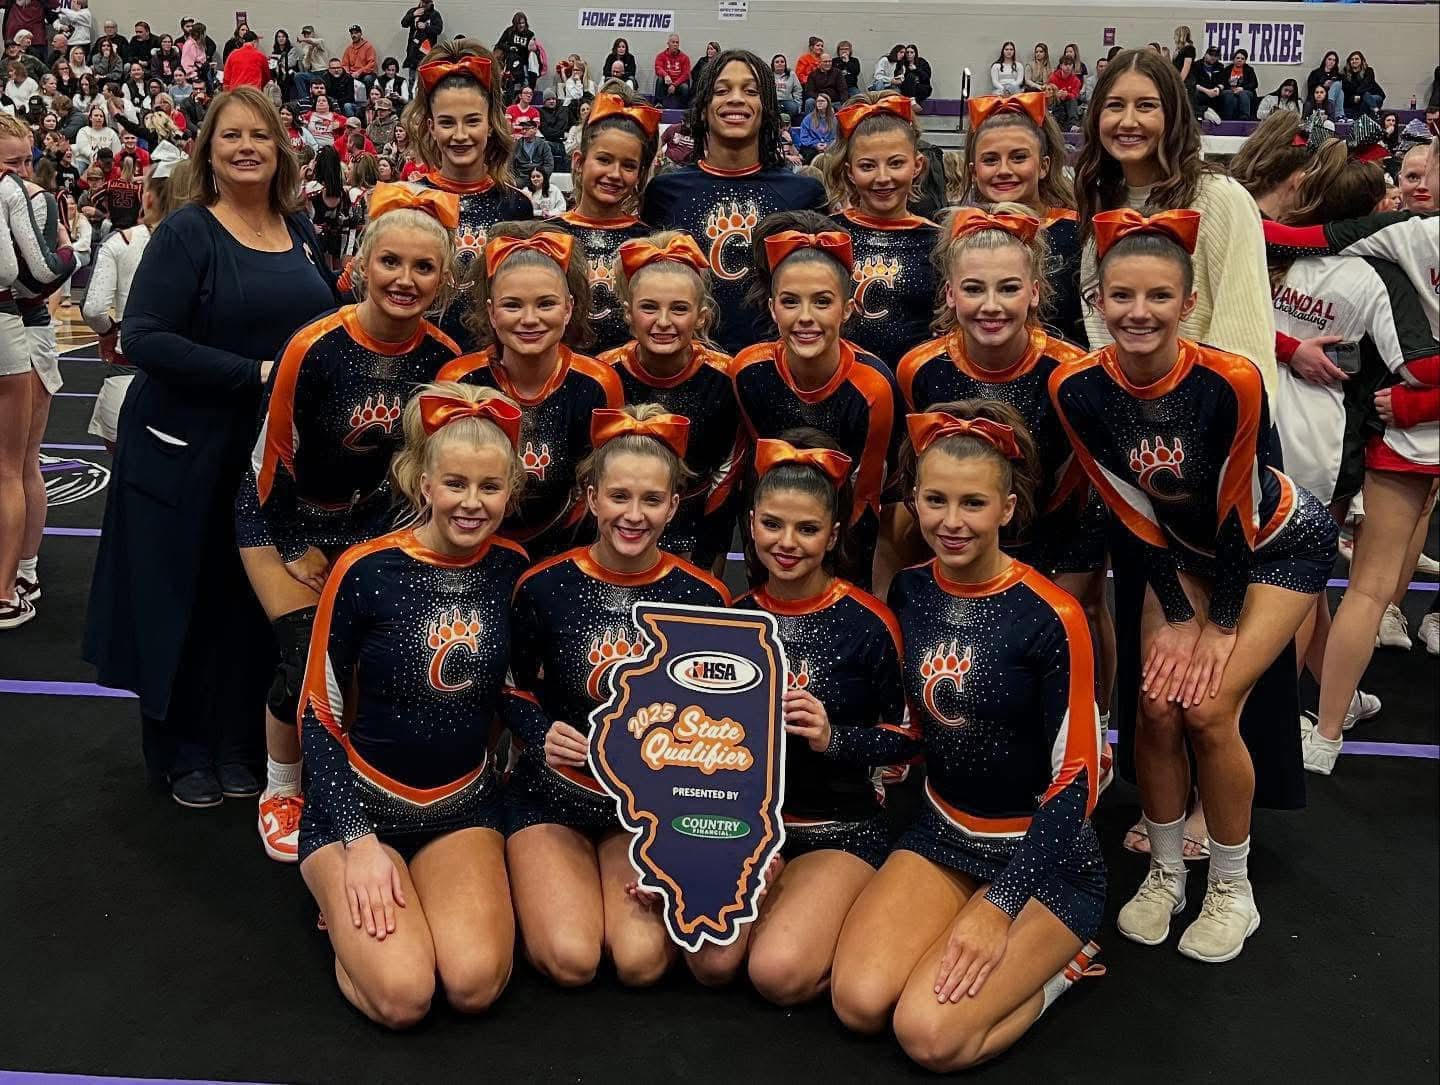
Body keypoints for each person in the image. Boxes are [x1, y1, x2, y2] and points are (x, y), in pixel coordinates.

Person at [1051, 208, 1336, 962]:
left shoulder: (1230, 380)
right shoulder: (1077, 387)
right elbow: (1132, 507)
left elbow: (1238, 512)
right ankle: (1167, 870)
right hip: (1178, 552)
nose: (1137, 313)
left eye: (1156, 297)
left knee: (1208, 709)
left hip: (1274, 546)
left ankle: (1233, 888)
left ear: (1188, 304)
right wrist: (1177, 612)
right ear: (1097, 301)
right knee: (1153, 704)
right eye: (1120, 297)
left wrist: (1218, 623)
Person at [830, 400, 1105, 1070]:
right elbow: (916, 734)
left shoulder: (1052, 614)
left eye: (974, 504)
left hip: (1044, 858)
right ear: (915, 501)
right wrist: (831, 738)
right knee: (859, 1001)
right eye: (936, 500)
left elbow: (1082, 779)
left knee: (931, 1036)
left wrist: (1001, 905)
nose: (951, 523)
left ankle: (1064, 965)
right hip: (941, 830)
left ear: (1008, 508)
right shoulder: (913, 593)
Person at [82, 87, 338, 807]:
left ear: (281, 147)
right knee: (180, 598)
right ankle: (180, 748)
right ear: (209, 151)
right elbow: (144, 336)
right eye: (231, 136)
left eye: (260, 134)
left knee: (246, 605)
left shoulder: (302, 229)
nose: (247, 146)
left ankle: (237, 742)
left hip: (268, 458)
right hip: (183, 448)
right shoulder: (188, 232)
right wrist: (258, 374)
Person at [238, 184, 462, 861]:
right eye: (390, 261)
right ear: (360, 265)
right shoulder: (316, 344)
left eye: (425, 267)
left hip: (371, 525)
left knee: (372, 654)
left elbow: (426, 466)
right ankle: (281, 786)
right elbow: (269, 458)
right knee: (307, 654)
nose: (406, 279)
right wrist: (299, 544)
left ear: (444, 279)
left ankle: (361, 779)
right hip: (281, 513)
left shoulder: (441, 357)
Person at [298, 380, 528, 1027]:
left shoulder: (511, 566)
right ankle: (343, 909)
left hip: (461, 804)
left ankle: (411, 901)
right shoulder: (365, 568)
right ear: (422, 481)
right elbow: (317, 710)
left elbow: (513, 692)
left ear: (511, 491)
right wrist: (359, 841)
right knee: (404, 998)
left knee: (475, 984)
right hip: (359, 810)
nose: (472, 502)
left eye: (490, 486)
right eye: (455, 483)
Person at [504, 405, 729, 989]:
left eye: (652, 500)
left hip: (647, 811)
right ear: (592, 497)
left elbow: (725, 736)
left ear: (673, 506)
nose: (634, 515)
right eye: (619, 497)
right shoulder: (544, 585)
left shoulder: (701, 597)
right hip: (556, 792)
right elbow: (510, 684)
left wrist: (686, 842)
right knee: (572, 960)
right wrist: (537, 731)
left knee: (640, 962)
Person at [687, 433, 912, 997]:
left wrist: (833, 738)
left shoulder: (868, 622)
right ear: (752, 524)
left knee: (776, 975)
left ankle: (863, 923)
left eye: (807, 529)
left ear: (833, 535)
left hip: (837, 824)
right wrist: (674, 854)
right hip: (744, 830)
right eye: (772, 525)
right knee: (711, 967)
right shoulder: (728, 622)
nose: (787, 543)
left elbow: (908, 739)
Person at [899, 208, 1114, 733]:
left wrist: (1058, 566)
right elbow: (917, 469)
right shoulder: (921, 369)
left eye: (1009, 289)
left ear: (1035, 293)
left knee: (1071, 624)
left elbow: (1083, 475)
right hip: (970, 523)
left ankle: (1095, 725)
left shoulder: (1069, 370)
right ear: (950, 295)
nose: (990, 306)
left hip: (1059, 525)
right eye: (973, 289)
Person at [731, 212, 903, 588]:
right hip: (770, 522)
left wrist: (840, 561)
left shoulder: (873, 387)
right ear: (773, 308)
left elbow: (867, 495)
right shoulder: (748, 371)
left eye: (822, 302)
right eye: (791, 302)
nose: (805, 317)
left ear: (847, 309)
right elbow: (751, 469)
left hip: (843, 533)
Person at [437, 223, 623, 556]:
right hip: (473, 547)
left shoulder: (598, 383)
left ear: (568, 308)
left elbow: (601, 486)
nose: (529, 319)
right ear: (492, 313)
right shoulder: (459, 380)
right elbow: (442, 484)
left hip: (566, 551)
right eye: (512, 306)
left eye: (545, 304)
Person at [641, 49, 827, 355]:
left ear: (766, 108)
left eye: (750, 91)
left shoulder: (803, 193)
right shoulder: (665, 191)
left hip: (775, 369)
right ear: (703, 108)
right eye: (722, 90)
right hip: (687, 366)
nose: (736, 99)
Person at [602, 232, 740, 565]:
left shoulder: (728, 378)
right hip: (617, 525)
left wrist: (707, 555)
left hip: (695, 527)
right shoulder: (603, 376)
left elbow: (726, 475)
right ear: (627, 314)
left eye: (679, 309)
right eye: (649, 308)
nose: (663, 322)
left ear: (702, 316)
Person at [401, 40, 533, 346]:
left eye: (472, 121)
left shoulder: (516, 206)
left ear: (490, 124)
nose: (460, 135)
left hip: (494, 366)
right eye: (447, 123)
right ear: (431, 128)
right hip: (422, 360)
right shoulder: (410, 200)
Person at [0, 115, 73, 629]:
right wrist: (69, 254)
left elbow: (34, 285)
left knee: (23, 462)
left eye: (27, 159)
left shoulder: (38, 199)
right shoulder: (23, 199)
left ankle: (23, 568)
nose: (24, 171)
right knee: (15, 465)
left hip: (31, 332)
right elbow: (35, 276)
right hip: (15, 326)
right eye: (12, 162)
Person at [822, 93, 938, 366]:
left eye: (896, 163)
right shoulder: (828, 235)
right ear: (850, 172)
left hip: (914, 386)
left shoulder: (939, 241)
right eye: (867, 166)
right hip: (844, 390)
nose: (883, 178)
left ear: (917, 166)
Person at [960, 92, 1084, 346]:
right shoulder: (963, 233)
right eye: (991, 160)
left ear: (1043, 166)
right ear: (974, 172)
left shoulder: (1077, 231)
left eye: (1019, 157)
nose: (1004, 170)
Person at [554, 89, 659, 354]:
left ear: (640, 174)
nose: (614, 174)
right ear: (579, 161)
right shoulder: (549, 235)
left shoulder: (649, 243)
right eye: (604, 160)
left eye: (628, 165)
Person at [401, 1, 444, 90]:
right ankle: (411, 101)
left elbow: (439, 30)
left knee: (426, 79)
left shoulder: (435, 15)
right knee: (412, 79)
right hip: (413, 50)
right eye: (423, 2)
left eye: (426, 3)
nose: (424, 4)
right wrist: (413, 14)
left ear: (431, 3)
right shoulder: (414, 11)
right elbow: (404, 23)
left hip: (427, 51)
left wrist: (426, 27)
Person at [493, 12, 535, 97]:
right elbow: (499, 44)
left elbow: (534, 49)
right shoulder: (510, 31)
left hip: (524, 63)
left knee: (525, 84)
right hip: (510, 63)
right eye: (519, 23)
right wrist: (509, 48)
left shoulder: (529, 34)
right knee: (509, 85)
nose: (521, 25)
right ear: (515, 24)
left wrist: (533, 45)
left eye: (523, 23)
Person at [1341, 51, 1384, 119]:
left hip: (1374, 97)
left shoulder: (1369, 71)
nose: (1354, 61)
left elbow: (1366, 85)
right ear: (1349, 62)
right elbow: (1347, 91)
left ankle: (1373, 110)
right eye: (1352, 59)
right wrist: (1355, 97)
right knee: (1364, 102)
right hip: (1359, 101)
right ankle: (1375, 112)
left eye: (1357, 59)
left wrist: (1359, 95)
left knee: (1366, 94)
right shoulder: (1346, 75)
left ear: (1362, 60)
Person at [511, 117, 554, 186]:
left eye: (527, 129)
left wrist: (542, 177)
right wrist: (513, 178)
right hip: (521, 177)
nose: (524, 131)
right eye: (523, 129)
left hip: (538, 176)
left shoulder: (543, 144)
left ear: (535, 129)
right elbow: (510, 164)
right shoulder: (516, 144)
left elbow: (549, 165)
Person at [795, 92, 837, 162]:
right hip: (812, 148)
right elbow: (804, 138)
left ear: (828, 103)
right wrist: (816, 145)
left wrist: (827, 145)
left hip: (829, 147)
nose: (819, 103)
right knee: (810, 154)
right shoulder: (808, 119)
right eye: (818, 101)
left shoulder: (835, 120)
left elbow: (837, 138)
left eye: (822, 101)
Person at [654, 33, 691, 109]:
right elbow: (658, 68)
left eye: (677, 42)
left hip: (679, 84)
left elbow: (686, 74)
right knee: (660, 80)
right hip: (666, 83)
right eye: (673, 42)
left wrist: (674, 85)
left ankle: (683, 109)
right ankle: (659, 104)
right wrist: (665, 75)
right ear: (668, 44)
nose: (675, 44)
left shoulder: (685, 58)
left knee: (685, 87)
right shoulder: (661, 56)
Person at [1306, 50, 1344, 122]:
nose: (1331, 62)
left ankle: (1338, 114)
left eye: (1334, 60)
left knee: (1339, 88)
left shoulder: (1337, 75)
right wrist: (1323, 85)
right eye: (1329, 59)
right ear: (1325, 60)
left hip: (1332, 99)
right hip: (1319, 98)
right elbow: (1311, 88)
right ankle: (1339, 114)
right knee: (1338, 85)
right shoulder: (1315, 73)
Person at [1220, 49, 1258, 122]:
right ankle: (1228, 118)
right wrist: (1232, 89)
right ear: (1234, 59)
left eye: (1242, 59)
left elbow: (1254, 84)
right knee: (1228, 94)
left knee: (1243, 94)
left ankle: (1244, 118)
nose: (1240, 60)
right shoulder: (1227, 69)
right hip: (1230, 90)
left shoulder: (1249, 70)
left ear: (1245, 61)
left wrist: (1242, 88)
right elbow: (1223, 82)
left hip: (1245, 91)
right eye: (1237, 58)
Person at [1048, 56, 1082, 130]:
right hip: (1056, 101)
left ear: (1073, 66)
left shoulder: (1076, 80)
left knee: (1072, 101)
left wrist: (1067, 95)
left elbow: (1076, 94)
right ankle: (1054, 125)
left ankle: (1073, 125)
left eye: (1070, 65)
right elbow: (1049, 92)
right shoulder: (1053, 77)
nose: (1068, 67)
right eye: (1066, 64)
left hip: (1069, 101)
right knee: (1054, 101)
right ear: (1061, 66)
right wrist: (1057, 94)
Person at [771, 54, 802, 119]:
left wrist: (798, 105)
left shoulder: (792, 74)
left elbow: (798, 90)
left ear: (785, 64)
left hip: (788, 101)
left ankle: (786, 124)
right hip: (774, 101)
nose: (780, 64)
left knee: (793, 107)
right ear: (773, 65)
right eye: (777, 62)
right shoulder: (769, 75)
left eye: (782, 62)